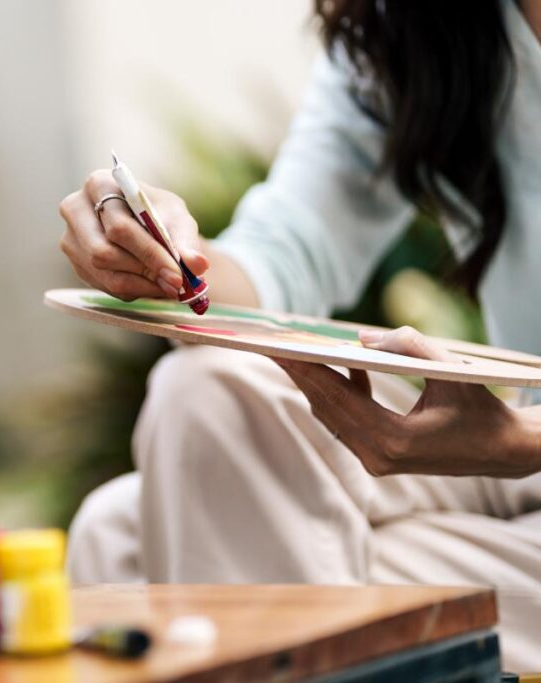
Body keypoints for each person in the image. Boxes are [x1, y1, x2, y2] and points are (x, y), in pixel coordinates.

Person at [57, 0, 541, 669]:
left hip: (524, 448)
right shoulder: (420, 25)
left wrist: (520, 443)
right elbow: (284, 253)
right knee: (211, 399)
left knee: (131, 540)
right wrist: (167, 258)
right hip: (513, 464)